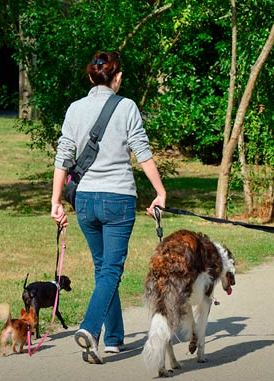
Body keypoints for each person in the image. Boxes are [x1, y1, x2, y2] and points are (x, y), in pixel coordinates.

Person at [50, 51, 166, 364]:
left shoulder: (75, 109)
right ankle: (90, 328)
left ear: (91, 78)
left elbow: (63, 155)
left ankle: (115, 338)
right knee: (111, 270)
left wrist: (55, 200)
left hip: (85, 200)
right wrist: (159, 191)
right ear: (117, 77)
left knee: (104, 270)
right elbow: (142, 151)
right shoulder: (126, 106)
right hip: (118, 200)